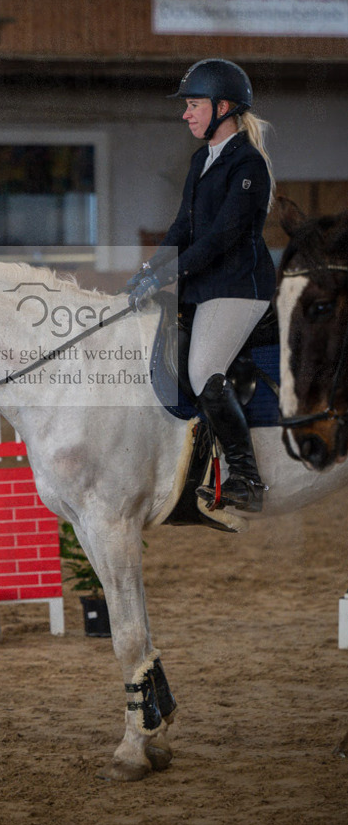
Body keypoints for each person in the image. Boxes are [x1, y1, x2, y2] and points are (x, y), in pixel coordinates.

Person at [126, 59, 276, 513]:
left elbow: (220, 239)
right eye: (187, 106)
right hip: (204, 286)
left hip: (238, 288)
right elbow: (181, 228)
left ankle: (246, 479)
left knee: (203, 368)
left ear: (223, 106)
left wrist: (166, 275)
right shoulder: (201, 159)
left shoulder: (247, 164)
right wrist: (149, 267)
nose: (186, 114)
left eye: (193, 105)